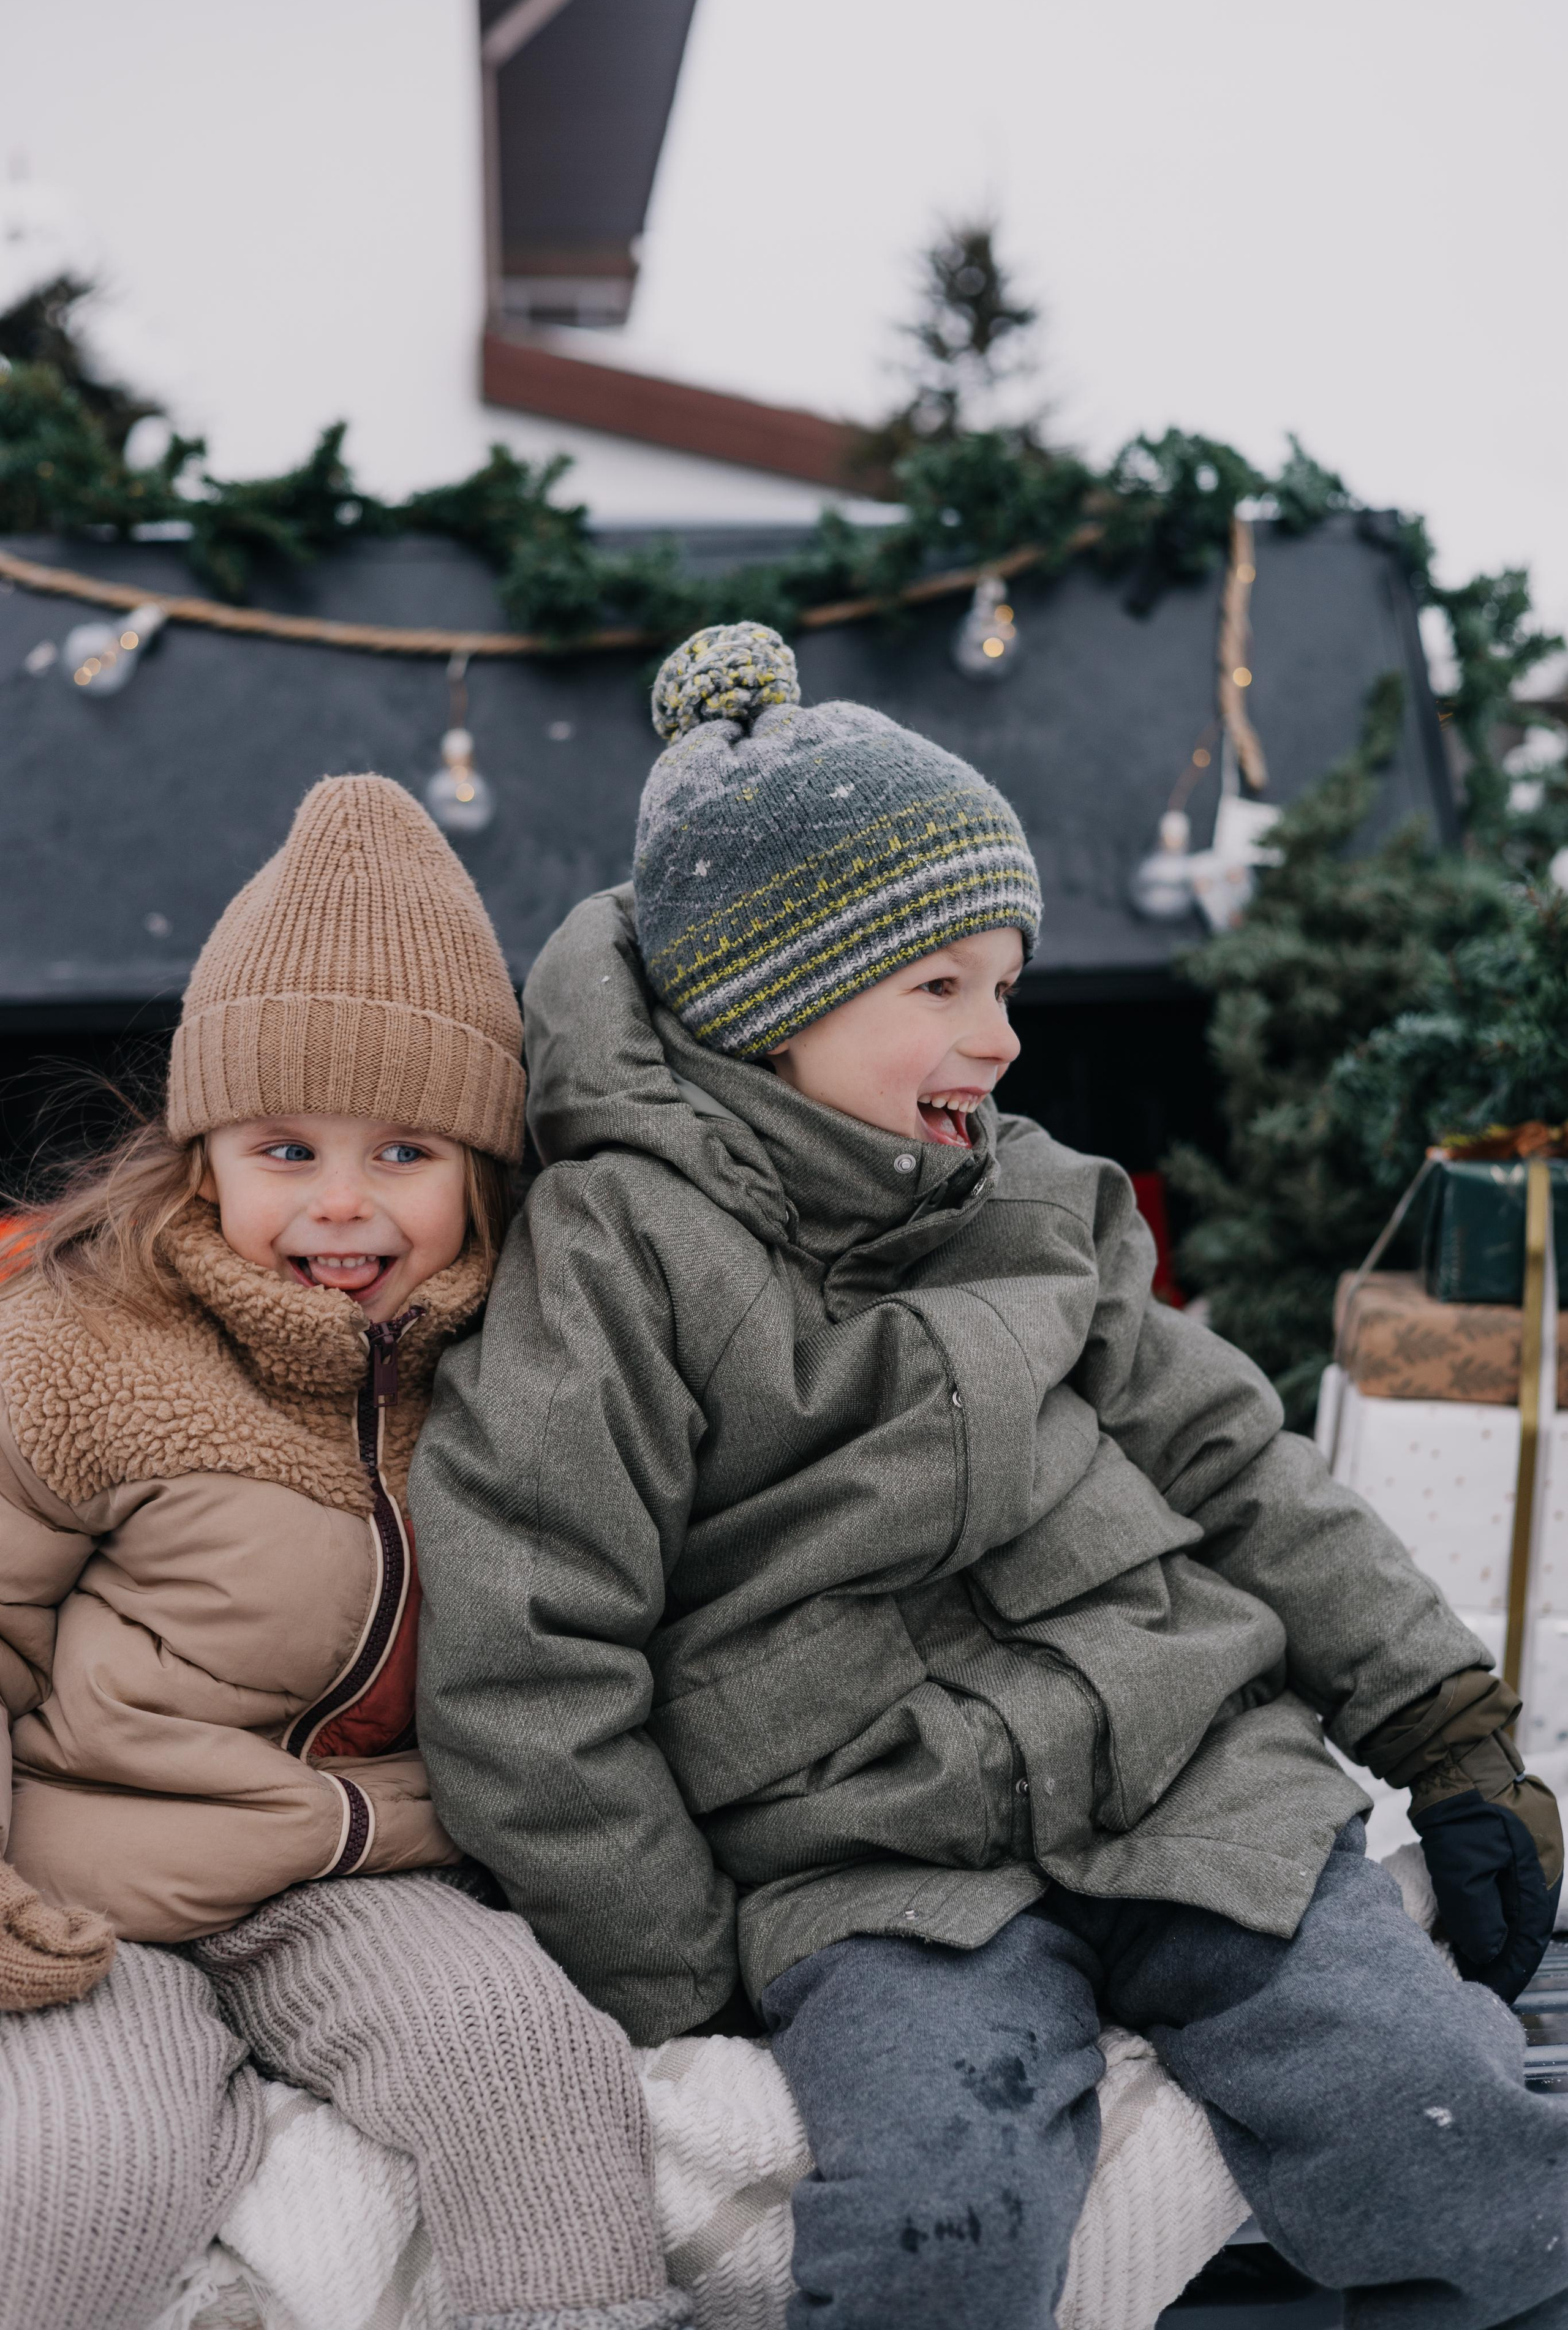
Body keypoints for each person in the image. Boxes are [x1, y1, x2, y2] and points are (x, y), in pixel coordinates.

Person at [412, 622, 1568, 2330]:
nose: (1003, 1036)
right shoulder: (621, 1256)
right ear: (772, 1002)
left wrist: (1444, 1730)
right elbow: (531, 1636)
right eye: (939, 988)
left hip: (1193, 1776)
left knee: (1449, 2133)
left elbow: (1239, 1461)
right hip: (871, 1859)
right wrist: (675, 1969)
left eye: (1008, 985)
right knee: (938, 2238)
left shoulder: (1035, 1200)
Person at [0, 775, 687, 2330]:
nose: (341, 1206)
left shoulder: (532, 1360)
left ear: (484, 1172)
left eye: (405, 1154)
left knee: (536, 2077)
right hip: (91, 1880)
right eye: (286, 1149)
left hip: (369, 1869)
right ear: (202, 1158)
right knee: (71, 2171)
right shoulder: (81, 1345)